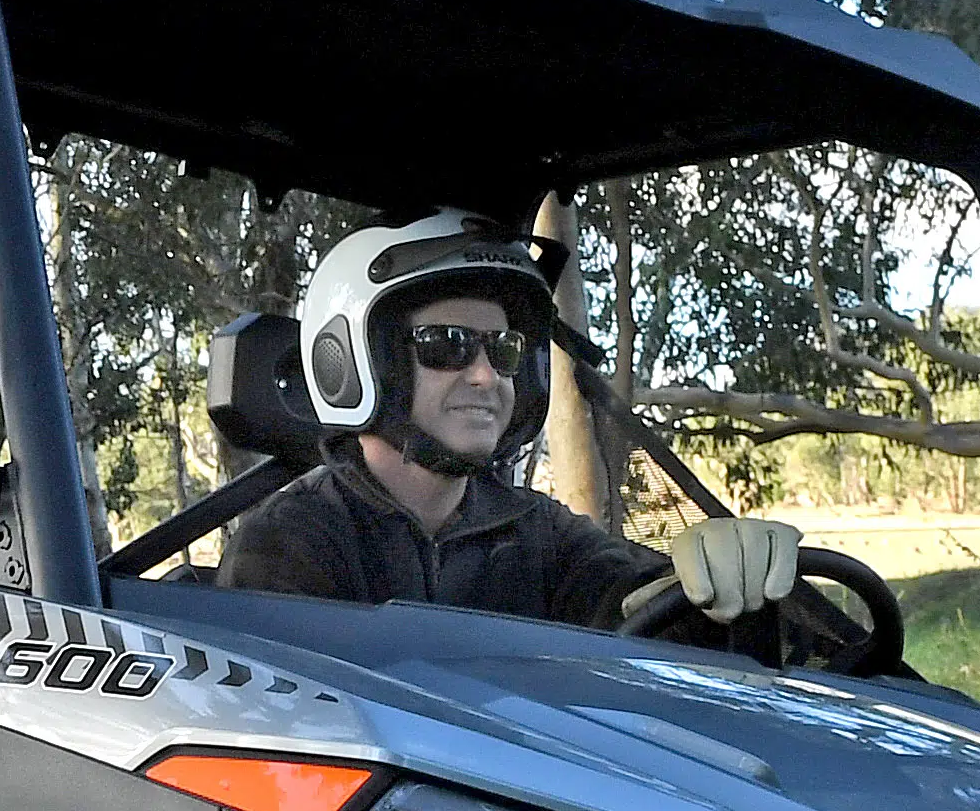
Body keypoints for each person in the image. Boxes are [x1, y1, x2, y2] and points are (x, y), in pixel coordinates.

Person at [218, 215, 802, 634]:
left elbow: (630, 606)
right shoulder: (290, 545)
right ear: (356, 362)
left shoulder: (535, 532)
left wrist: (718, 587)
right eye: (446, 345)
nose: (485, 376)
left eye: (505, 350)